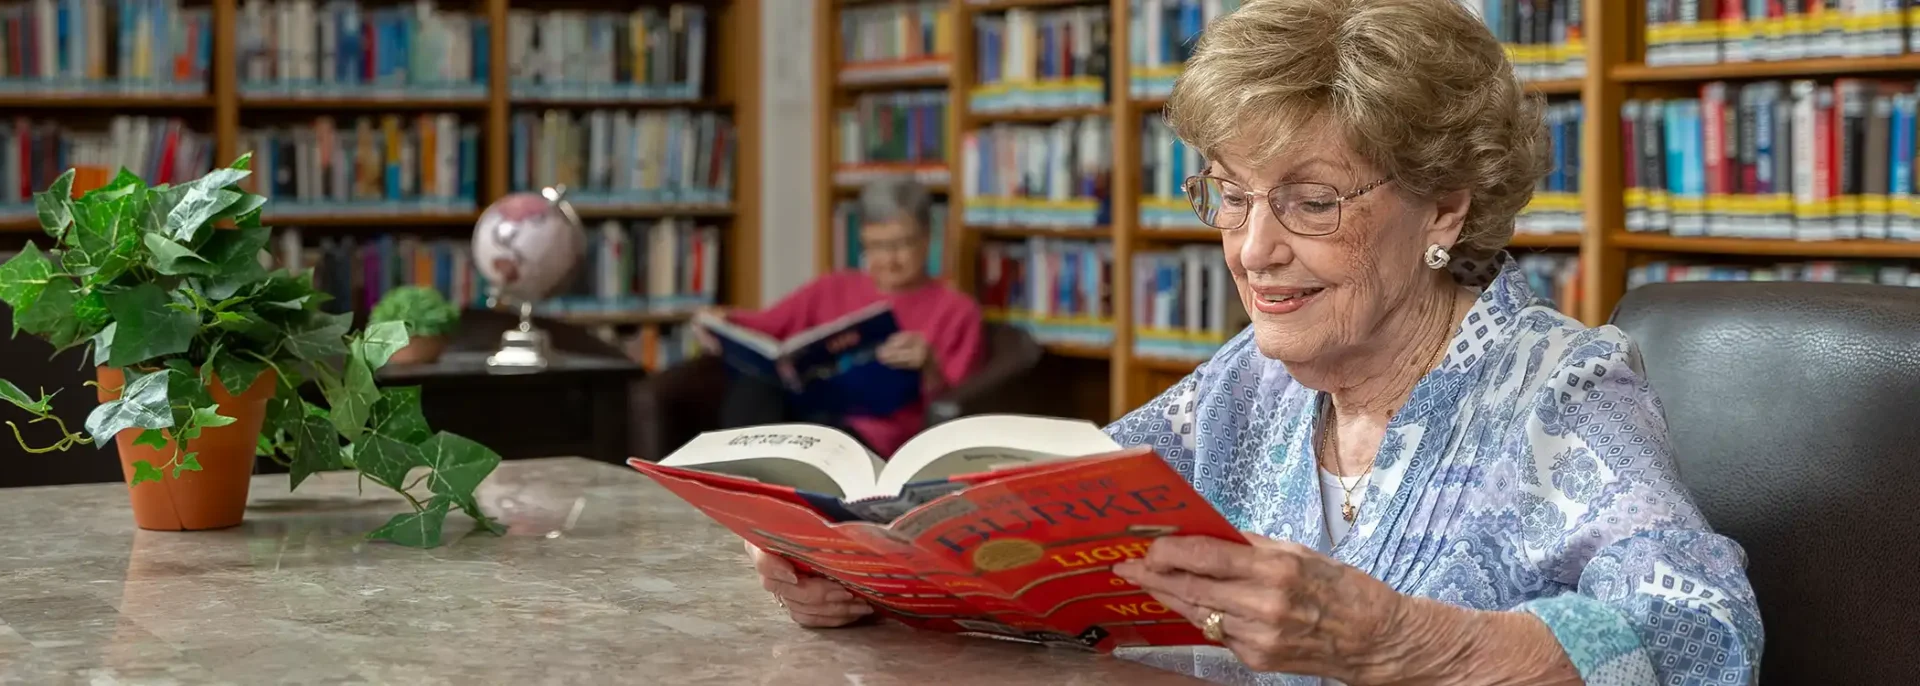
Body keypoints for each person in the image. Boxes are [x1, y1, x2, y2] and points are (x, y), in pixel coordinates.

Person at [744, 1, 1765, 684]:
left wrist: (1406, 640)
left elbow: (1707, 633)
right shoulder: (1251, 380)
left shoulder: (1557, 390)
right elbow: (1055, 545)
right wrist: (876, 573)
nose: (1252, 248)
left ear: (1444, 204)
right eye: (1229, 198)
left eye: (1310, 203)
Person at [700, 179, 981, 455]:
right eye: (875, 246)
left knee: (815, 436)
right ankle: (734, 483)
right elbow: (766, 324)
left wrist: (930, 368)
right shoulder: (832, 287)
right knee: (755, 386)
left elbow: (962, 407)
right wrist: (720, 321)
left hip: (869, 439)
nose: (889, 259)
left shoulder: (957, 310)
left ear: (927, 238)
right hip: (806, 416)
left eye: (901, 244)